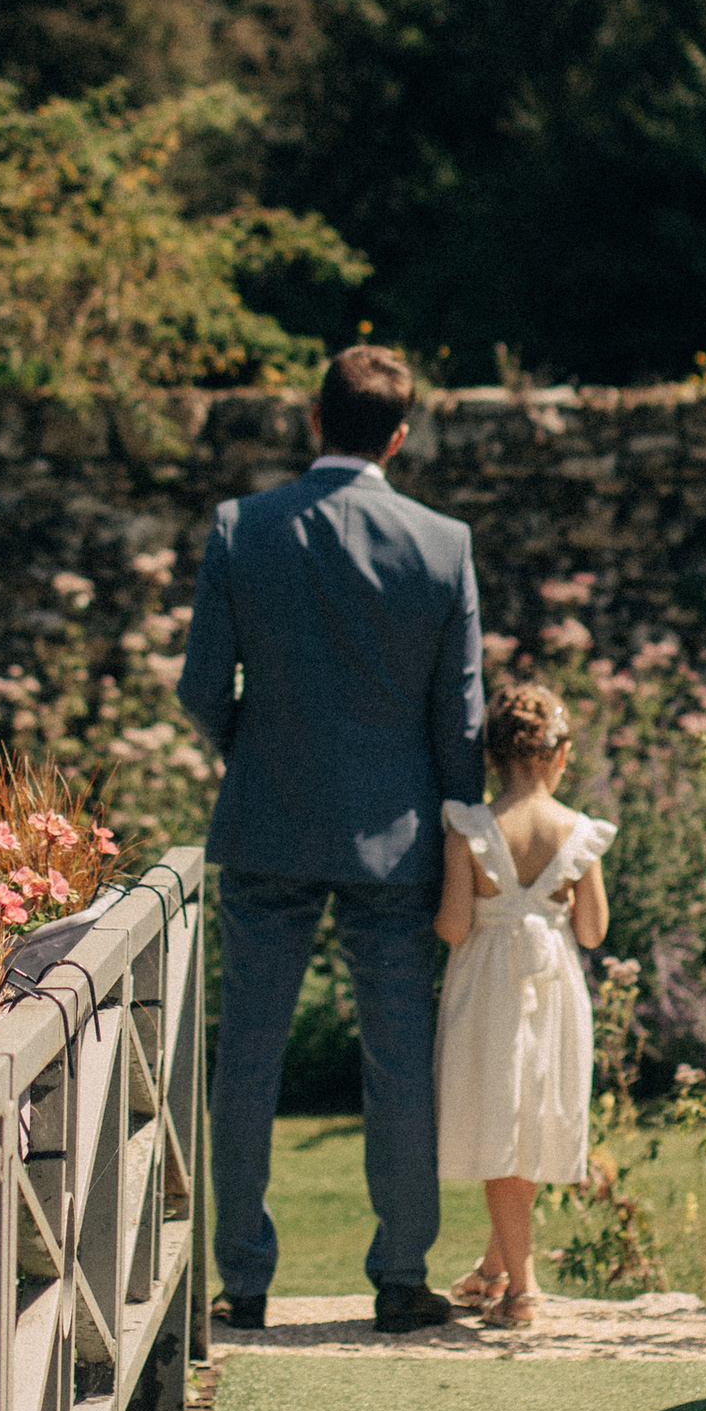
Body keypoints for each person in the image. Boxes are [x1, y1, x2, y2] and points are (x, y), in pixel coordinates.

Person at [179, 342, 484, 1334]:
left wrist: (256, 748)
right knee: (398, 1057)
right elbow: (461, 718)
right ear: (399, 437)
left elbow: (198, 688)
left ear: (313, 423)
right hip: (395, 835)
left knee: (249, 1055)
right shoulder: (442, 546)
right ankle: (401, 1276)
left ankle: (244, 1280)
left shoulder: (242, 527)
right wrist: (454, 831)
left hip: (266, 821)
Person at [431, 680, 614, 1327]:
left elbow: (453, 926)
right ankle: (495, 1267)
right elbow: (592, 931)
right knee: (528, 1116)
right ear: (560, 755)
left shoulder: (470, 827)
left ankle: (522, 1288)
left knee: (498, 1117)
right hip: (555, 986)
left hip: (488, 986)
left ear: (495, 757)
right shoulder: (579, 832)